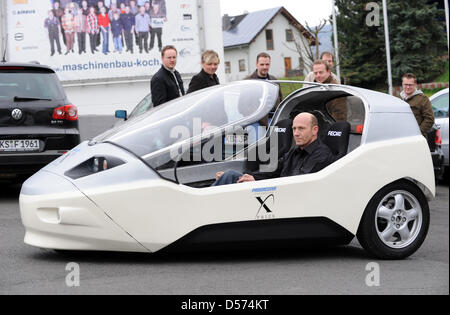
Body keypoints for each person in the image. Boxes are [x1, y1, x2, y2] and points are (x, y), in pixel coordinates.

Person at [212, 112, 334, 186]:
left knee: (231, 178)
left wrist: (259, 183)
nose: (296, 133)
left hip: (286, 198)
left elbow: (297, 183)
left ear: (314, 130)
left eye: (301, 128)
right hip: (275, 189)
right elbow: (274, 170)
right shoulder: (295, 151)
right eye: (294, 129)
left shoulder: (321, 155)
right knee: (230, 176)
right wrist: (251, 177)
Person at [400, 73, 435, 137]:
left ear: (415, 85)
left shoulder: (423, 99)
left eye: (410, 85)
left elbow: (429, 119)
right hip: (401, 137)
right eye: (405, 84)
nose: (407, 87)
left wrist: (417, 132)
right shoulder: (398, 99)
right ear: (402, 84)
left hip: (418, 138)